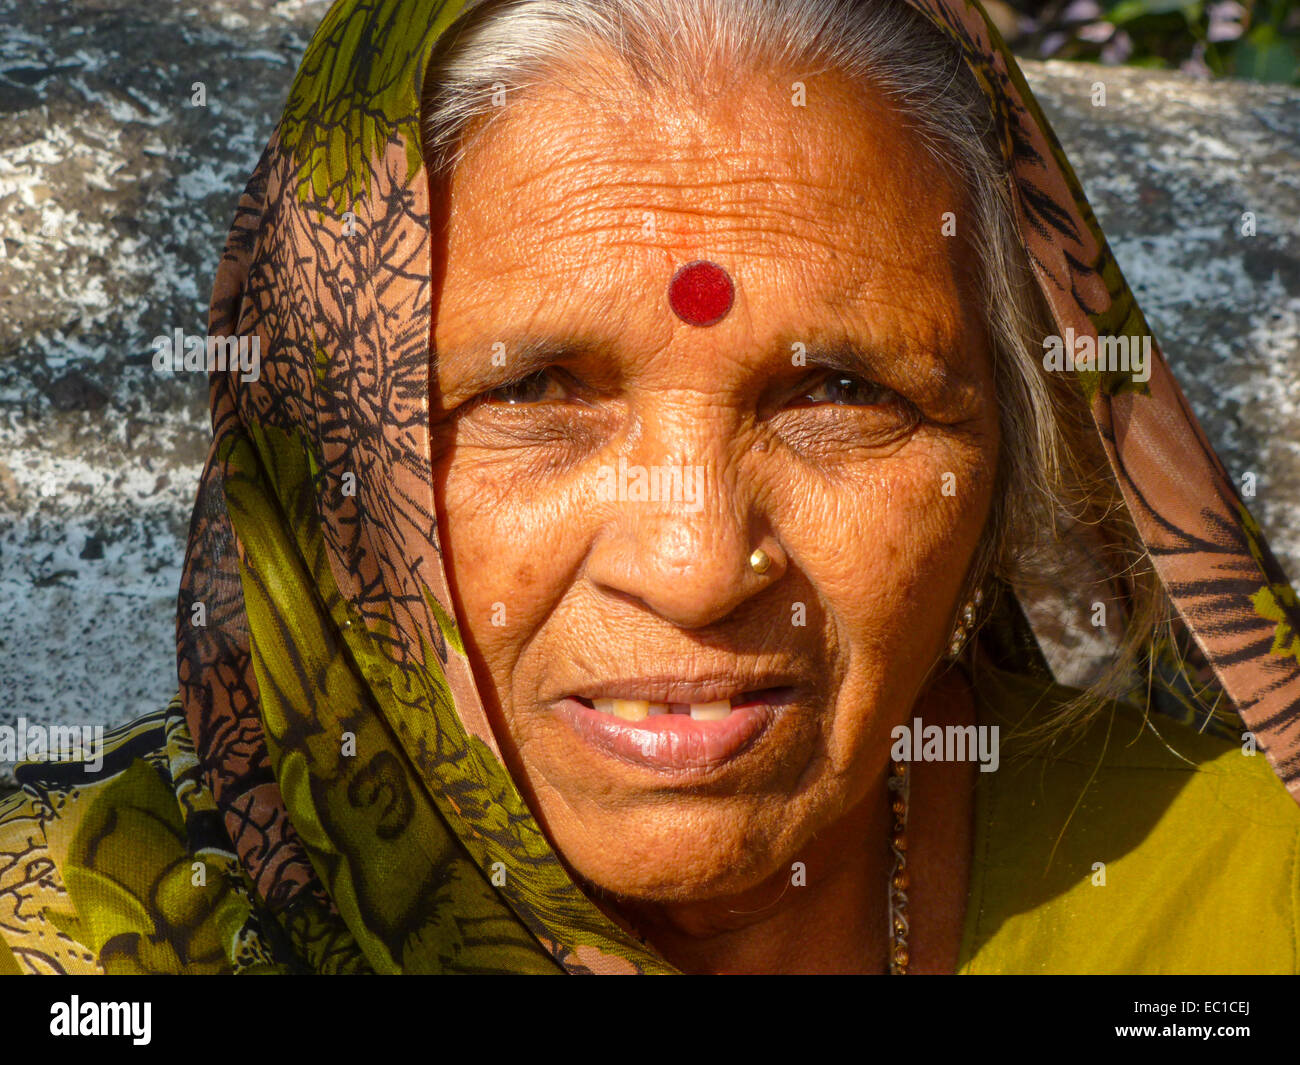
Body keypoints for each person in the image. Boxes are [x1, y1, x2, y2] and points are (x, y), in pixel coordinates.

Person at [2, 0, 1298, 975]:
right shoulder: (91, 929)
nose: (691, 564)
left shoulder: (1236, 902)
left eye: (841, 394)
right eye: (535, 393)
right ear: (328, 450)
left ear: (1009, 452)